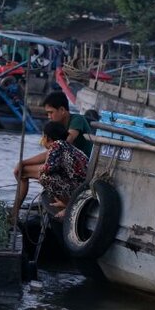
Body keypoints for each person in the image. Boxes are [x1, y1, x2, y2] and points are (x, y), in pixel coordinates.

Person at [11, 91, 92, 222]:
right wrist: (23, 162)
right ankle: (15, 212)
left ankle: (68, 204)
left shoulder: (77, 120)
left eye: (51, 112)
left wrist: (26, 163)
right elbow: (52, 153)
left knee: (39, 175)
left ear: (62, 110)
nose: (49, 116)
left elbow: (60, 147)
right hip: (66, 169)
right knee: (21, 170)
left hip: (80, 173)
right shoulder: (57, 130)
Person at [37, 121, 88, 218]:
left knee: (44, 178)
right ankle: (67, 203)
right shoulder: (67, 145)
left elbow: (49, 168)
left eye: (43, 136)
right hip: (83, 185)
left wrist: (41, 168)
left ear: (48, 137)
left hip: (78, 187)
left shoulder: (56, 145)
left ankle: (69, 206)